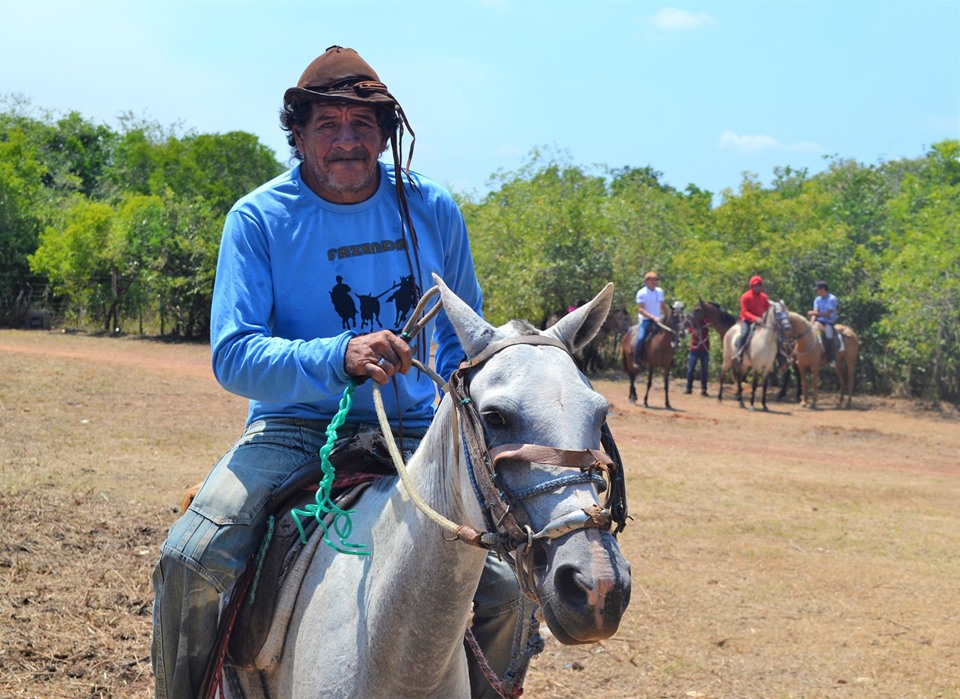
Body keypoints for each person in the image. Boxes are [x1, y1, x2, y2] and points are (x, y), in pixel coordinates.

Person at [150, 46, 533, 699]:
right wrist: (339, 354)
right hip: (295, 430)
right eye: (328, 125)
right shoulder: (258, 219)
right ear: (296, 136)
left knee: (509, 586)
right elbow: (234, 353)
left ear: (386, 134)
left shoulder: (432, 208)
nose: (348, 142)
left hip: (416, 434)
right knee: (192, 557)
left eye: (363, 126)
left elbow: (462, 339)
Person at [633, 271, 666, 364]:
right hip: (646, 320)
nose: (654, 282)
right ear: (646, 281)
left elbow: (663, 306)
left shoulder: (659, 291)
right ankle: (636, 358)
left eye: (655, 280)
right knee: (640, 338)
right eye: (651, 280)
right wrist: (653, 317)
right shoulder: (641, 293)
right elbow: (641, 310)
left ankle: (670, 359)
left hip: (659, 320)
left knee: (670, 335)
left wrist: (668, 316)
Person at [736, 275, 770, 359]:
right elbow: (744, 312)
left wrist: (765, 317)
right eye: (755, 286)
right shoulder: (745, 297)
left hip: (761, 321)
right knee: (744, 334)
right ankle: (739, 353)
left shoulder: (764, 297)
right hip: (747, 320)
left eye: (759, 285)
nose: (757, 287)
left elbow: (768, 309)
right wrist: (755, 318)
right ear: (752, 286)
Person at [808, 280, 842, 361]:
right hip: (818, 322)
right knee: (811, 334)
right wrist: (811, 323)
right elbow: (815, 313)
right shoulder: (817, 299)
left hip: (828, 322)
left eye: (817, 290)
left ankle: (832, 359)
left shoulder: (832, 299)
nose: (816, 292)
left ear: (823, 289)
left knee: (829, 336)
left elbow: (828, 314)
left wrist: (815, 313)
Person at [684, 316, 710, 396]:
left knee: (704, 370)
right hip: (694, 349)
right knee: (691, 369)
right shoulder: (693, 322)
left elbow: (711, 323)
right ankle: (688, 388)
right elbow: (689, 331)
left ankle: (704, 389)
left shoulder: (706, 320)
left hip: (704, 349)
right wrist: (694, 331)